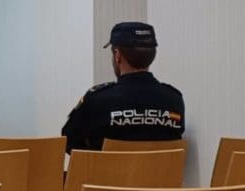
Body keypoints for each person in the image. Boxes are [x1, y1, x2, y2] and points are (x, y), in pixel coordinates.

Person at [62, 21, 184, 152]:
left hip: (106, 166)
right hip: (159, 167)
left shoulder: (96, 100)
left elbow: (68, 142)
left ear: (117, 55)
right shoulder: (174, 100)